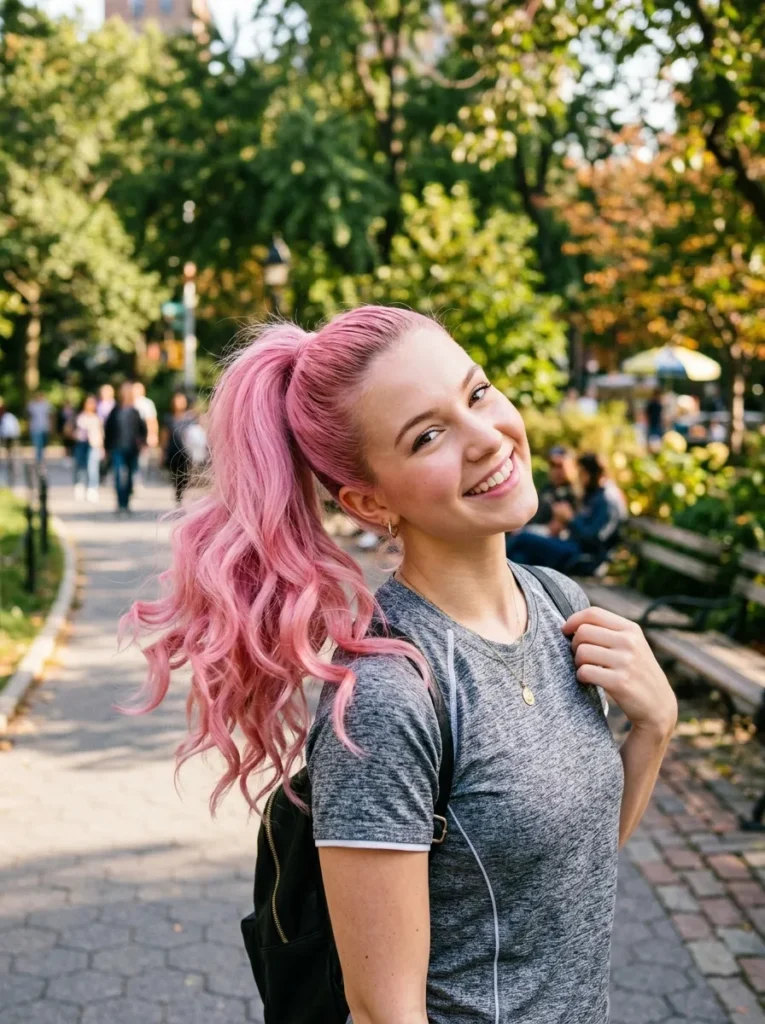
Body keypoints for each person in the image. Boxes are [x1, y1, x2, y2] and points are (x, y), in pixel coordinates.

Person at [123, 307, 676, 1024]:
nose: (486, 438)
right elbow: (386, 1013)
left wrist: (653, 729)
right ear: (367, 501)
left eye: (476, 393)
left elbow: (567, 874)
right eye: (428, 435)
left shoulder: (557, 604)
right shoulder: (387, 699)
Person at [506, 452, 625, 574]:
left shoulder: (608, 500)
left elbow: (593, 540)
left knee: (523, 538)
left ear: (590, 473)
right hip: (573, 547)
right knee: (520, 556)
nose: (579, 478)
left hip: (583, 558)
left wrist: (570, 520)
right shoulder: (597, 494)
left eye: (581, 473)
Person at [104, 382, 147, 515]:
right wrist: (106, 447)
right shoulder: (115, 411)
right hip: (117, 448)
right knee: (118, 475)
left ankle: (126, 502)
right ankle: (120, 502)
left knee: (129, 476)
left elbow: (142, 429)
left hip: (132, 449)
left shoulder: (135, 412)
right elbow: (108, 430)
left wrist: (142, 442)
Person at [529, 445, 578, 528]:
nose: (556, 471)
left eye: (560, 466)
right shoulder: (546, 489)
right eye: (553, 466)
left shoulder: (577, 491)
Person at [161, 391, 196, 505]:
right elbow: (165, 435)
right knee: (175, 475)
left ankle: (182, 493)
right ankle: (178, 496)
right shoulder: (169, 418)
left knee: (185, 475)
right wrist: (163, 451)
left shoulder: (190, 418)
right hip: (173, 451)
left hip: (186, 452)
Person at [72, 395, 104, 502]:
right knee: (80, 466)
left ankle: (92, 488)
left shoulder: (97, 418)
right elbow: (70, 429)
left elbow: (101, 433)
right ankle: (79, 486)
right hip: (81, 443)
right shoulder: (80, 417)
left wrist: (101, 447)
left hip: (93, 444)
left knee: (93, 467)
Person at [132, 381, 159, 490]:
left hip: (143, 436)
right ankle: (133, 479)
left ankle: (138, 479)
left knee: (142, 459)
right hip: (131, 436)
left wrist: (153, 435)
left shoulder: (147, 403)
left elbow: (152, 420)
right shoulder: (129, 402)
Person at [26, 391, 52, 465]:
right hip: (35, 428)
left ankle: (41, 457)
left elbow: (50, 416)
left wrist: (50, 426)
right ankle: (38, 459)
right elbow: (28, 415)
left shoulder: (46, 405)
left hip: (44, 427)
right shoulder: (32, 405)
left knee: (43, 444)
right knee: (38, 443)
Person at [0, 400, 21, 486]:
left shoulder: (7, 417)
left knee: (11, 454)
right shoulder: (8, 417)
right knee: (10, 454)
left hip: (9, 437)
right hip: (9, 436)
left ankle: (13, 467)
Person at [645, 387, 665, 452]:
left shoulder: (652, 403)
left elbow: (647, 413)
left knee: (652, 440)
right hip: (654, 424)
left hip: (655, 424)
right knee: (654, 440)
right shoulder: (655, 403)